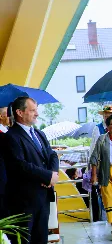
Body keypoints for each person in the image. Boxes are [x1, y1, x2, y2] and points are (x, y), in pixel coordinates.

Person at [3, 96, 59, 244]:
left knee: (41, 239)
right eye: (32, 110)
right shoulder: (11, 137)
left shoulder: (39, 134)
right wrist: (46, 176)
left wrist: (52, 175)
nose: (37, 114)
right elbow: (20, 165)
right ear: (20, 113)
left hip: (43, 199)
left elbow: (52, 155)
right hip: (23, 202)